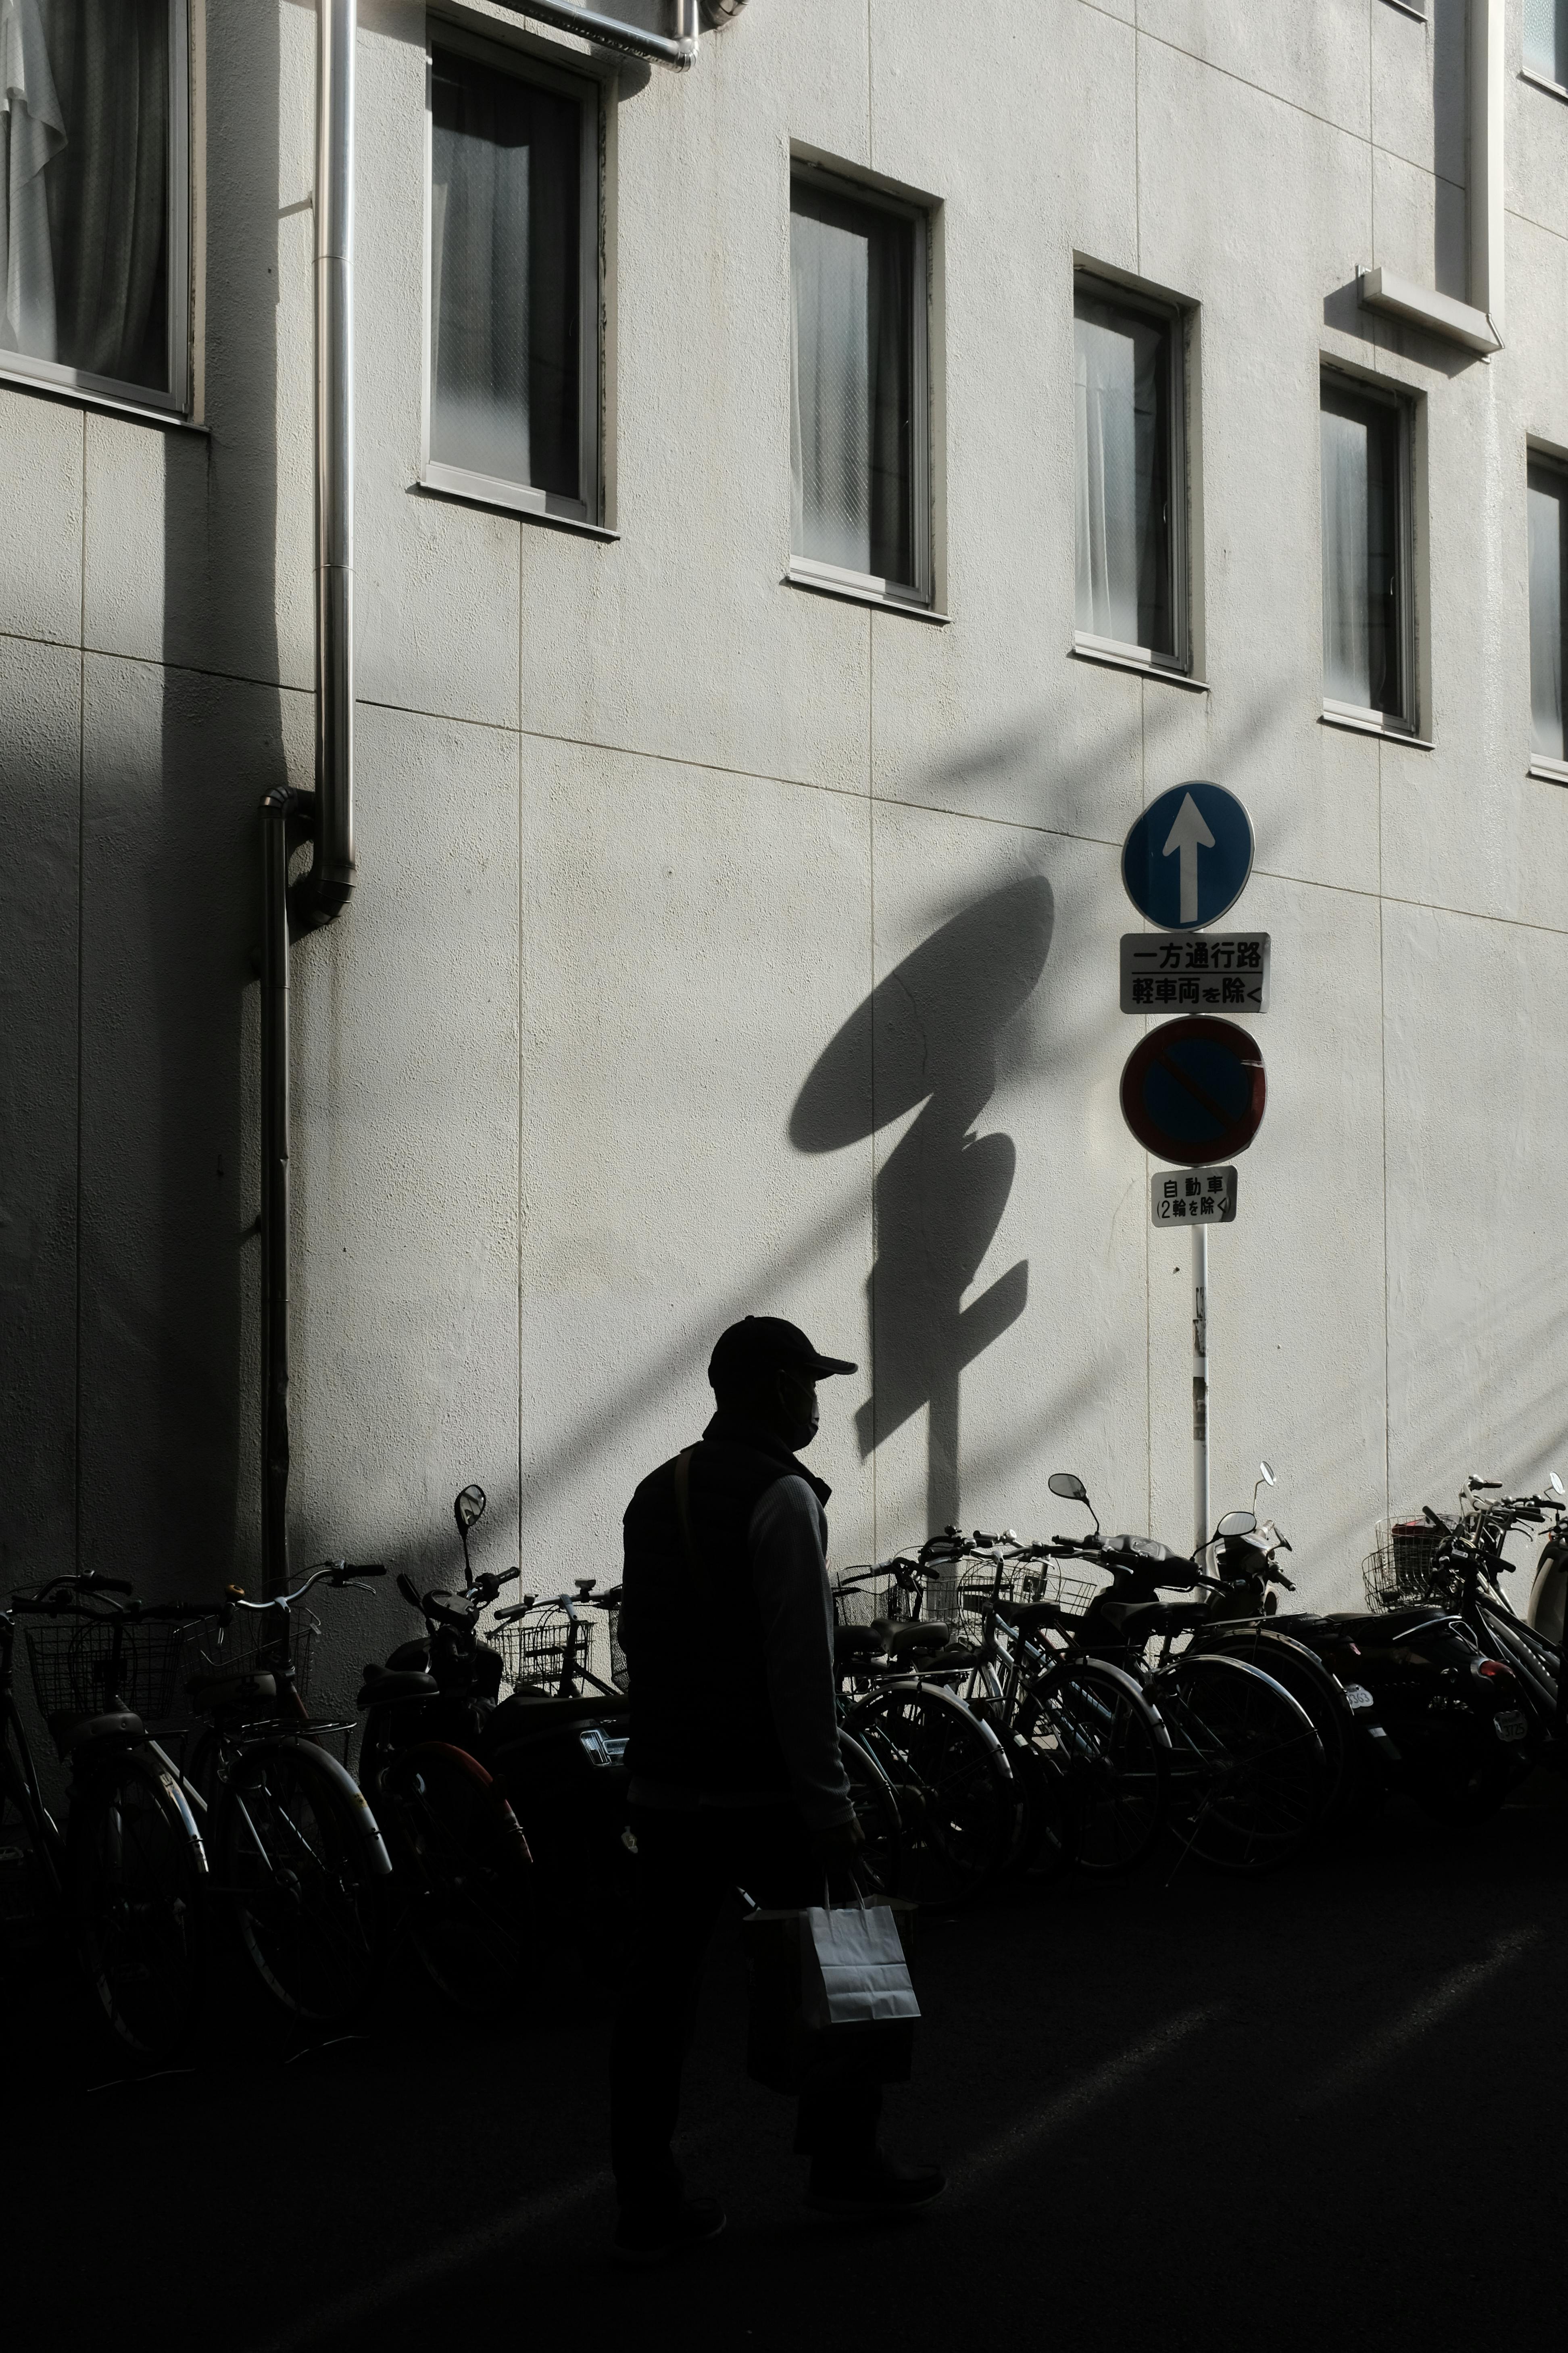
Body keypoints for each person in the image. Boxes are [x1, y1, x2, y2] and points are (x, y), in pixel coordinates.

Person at [609, 1315, 945, 2264]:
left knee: (658, 1997)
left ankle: (647, 2191)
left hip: (668, 1787)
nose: (814, 1402)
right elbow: (803, 1669)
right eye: (805, 1385)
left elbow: (643, 1641)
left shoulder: (654, 1489)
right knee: (840, 1961)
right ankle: (846, 2161)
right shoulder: (784, 1498)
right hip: (760, 1790)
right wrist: (830, 1808)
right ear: (763, 1391)